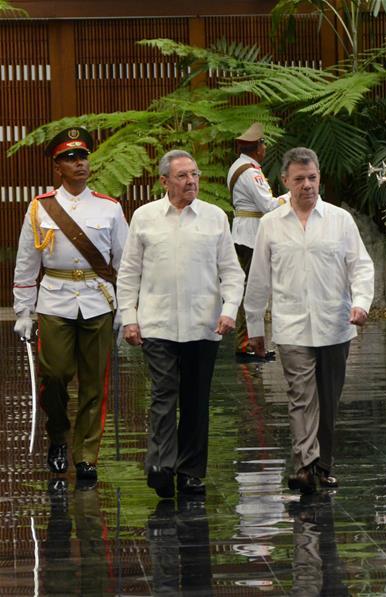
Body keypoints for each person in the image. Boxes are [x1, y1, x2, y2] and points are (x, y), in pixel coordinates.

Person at [244, 147, 374, 494]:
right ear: (284, 181)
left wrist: (361, 303)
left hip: (335, 325)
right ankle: (305, 464)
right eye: (299, 179)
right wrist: (254, 327)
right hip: (292, 326)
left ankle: (324, 465)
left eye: (312, 178)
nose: (307, 185)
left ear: (320, 179)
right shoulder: (271, 224)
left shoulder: (339, 220)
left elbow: (360, 265)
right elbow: (258, 278)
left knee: (328, 400)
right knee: (301, 396)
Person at [116, 149, 245, 498]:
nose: (191, 181)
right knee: (162, 393)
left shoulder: (215, 217)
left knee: (195, 399)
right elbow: (128, 273)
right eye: (183, 175)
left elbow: (231, 271)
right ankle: (160, 464)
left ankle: (190, 471)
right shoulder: (144, 218)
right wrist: (129, 317)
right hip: (156, 324)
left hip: (204, 324)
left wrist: (230, 309)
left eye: (195, 174)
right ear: (164, 181)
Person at [12, 127, 129, 482]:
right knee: (56, 375)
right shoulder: (40, 207)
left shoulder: (109, 208)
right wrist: (22, 310)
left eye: (82, 157)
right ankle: (58, 435)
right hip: (55, 300)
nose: (79, 163)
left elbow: (125, 264)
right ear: (57, 167)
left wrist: (126, 308)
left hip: (97, 300)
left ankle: (86, 456)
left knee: (95, 383)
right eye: (70, 158)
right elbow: (27, 260)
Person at [229, 122, 281, 363]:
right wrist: (291, 195)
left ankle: (248, 341)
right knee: (252, 289)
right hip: (251, 235)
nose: (265, 147)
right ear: (257, 147)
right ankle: (246, 342)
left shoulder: (237, 166)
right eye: (263, 143)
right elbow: (268, 206)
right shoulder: (251, 171)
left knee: (247, 287)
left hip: (243, 231)